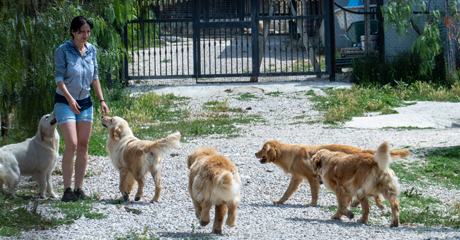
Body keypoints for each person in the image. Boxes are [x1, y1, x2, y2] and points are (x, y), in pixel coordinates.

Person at [54, 16, 109, 202]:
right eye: (82, 31)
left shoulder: (91, 50)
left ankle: (79, 188)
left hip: (85, 102)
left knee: (84, 145)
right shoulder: (63, 50)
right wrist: (69, 99)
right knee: (72, 144)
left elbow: (95, 77)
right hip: (64, 101)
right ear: (73, 32)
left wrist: (101, 100)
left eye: (88, 32)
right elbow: (59, 79)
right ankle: (67, 190)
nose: (86, 35)